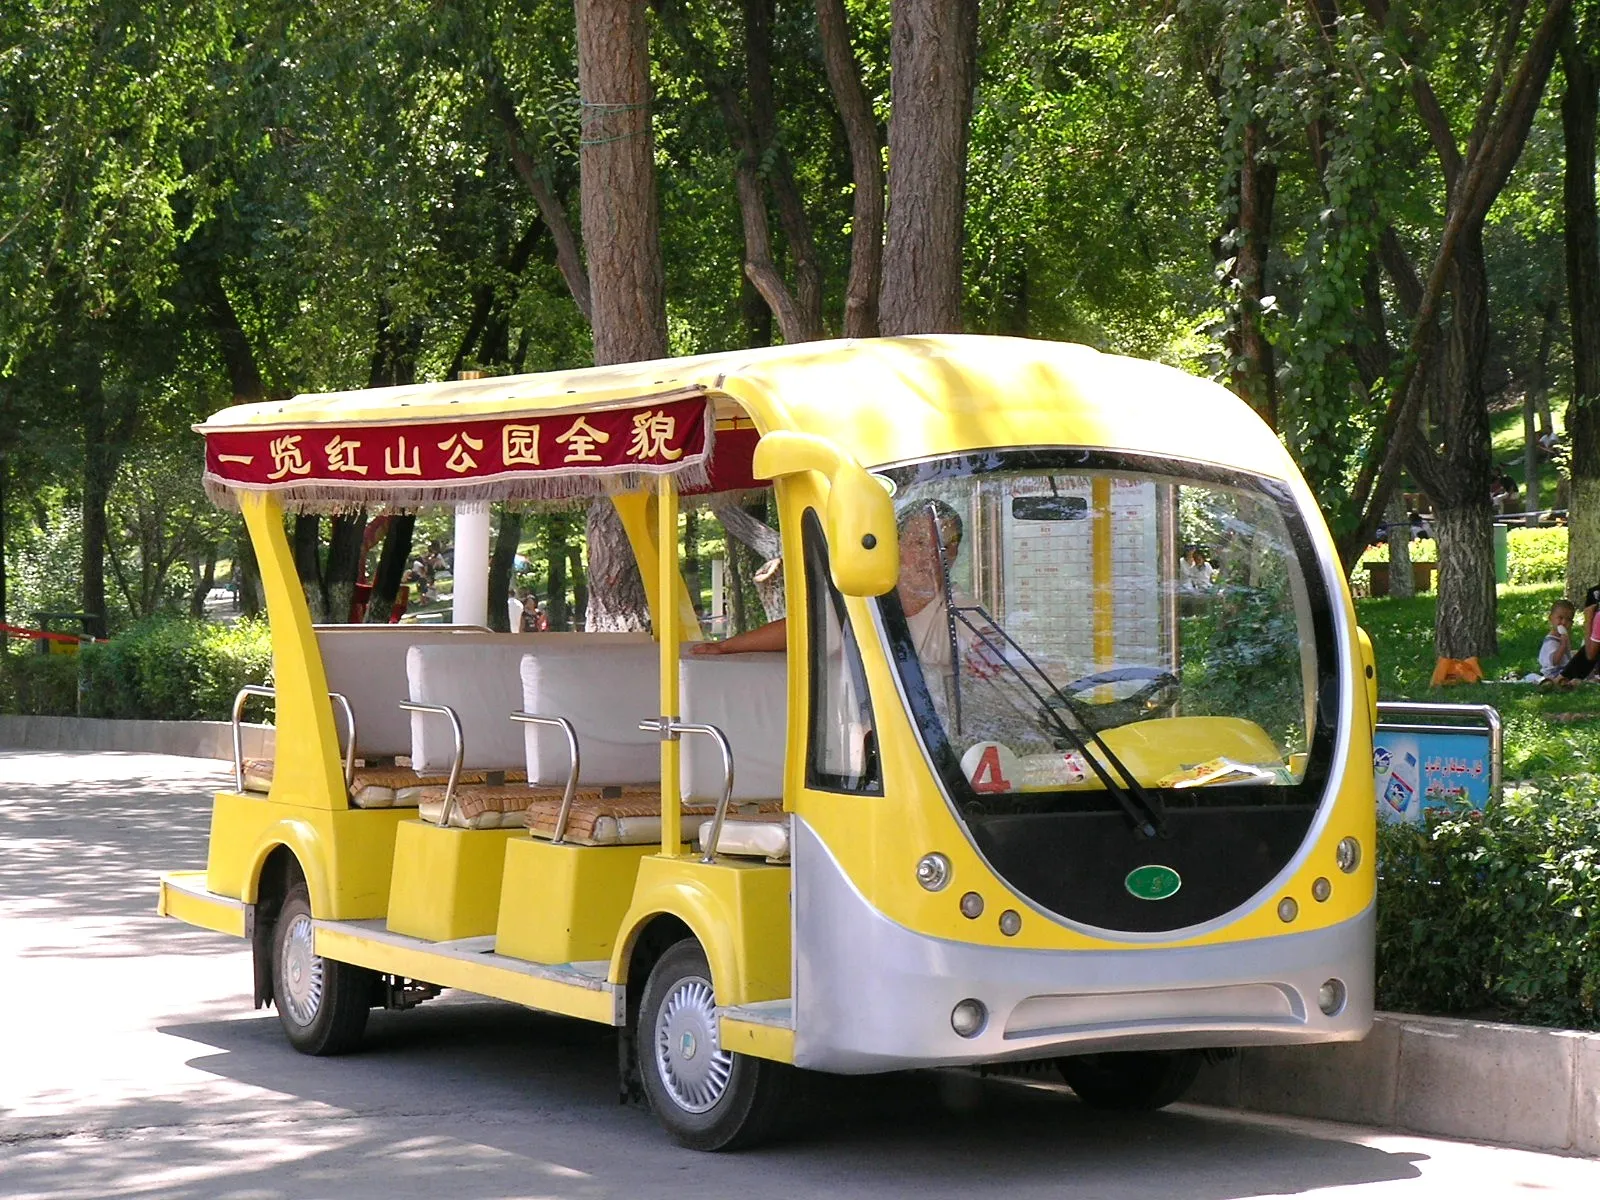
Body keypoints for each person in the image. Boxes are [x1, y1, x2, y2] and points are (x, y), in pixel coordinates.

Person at [691, 499, 987, 668]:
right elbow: (805, 629)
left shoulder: (963, 610)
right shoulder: (863, 595)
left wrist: (987, 659)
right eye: (919, 542)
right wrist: (726, 647)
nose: (930, 557)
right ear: (895, 545)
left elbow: (987, 650)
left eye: (944, 547)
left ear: (955, 554)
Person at [1524, 598, 1574, 683]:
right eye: (1560, 618)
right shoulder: (1551, 641)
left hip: (1563, 669)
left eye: (1568, 619)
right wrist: (1562, 645)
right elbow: (1555, 661)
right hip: (1553, 672)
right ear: (1551, 618)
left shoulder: (1563, 636)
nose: (1564, 622)